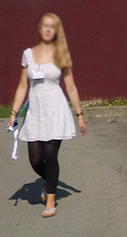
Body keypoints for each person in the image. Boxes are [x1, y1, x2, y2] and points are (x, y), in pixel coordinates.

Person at [7, 13, 87, 217]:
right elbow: (22, 86)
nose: (49, 30)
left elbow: (71, 87)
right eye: (45, 26)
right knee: (35, 160)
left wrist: (79, 114)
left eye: (53, 27)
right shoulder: (28, 54)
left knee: (51, 156)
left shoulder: (62, 55)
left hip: (56, 109)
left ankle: (50, 200)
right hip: (35, 111)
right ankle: (51, 180)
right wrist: (14, 113)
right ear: (40, 29)